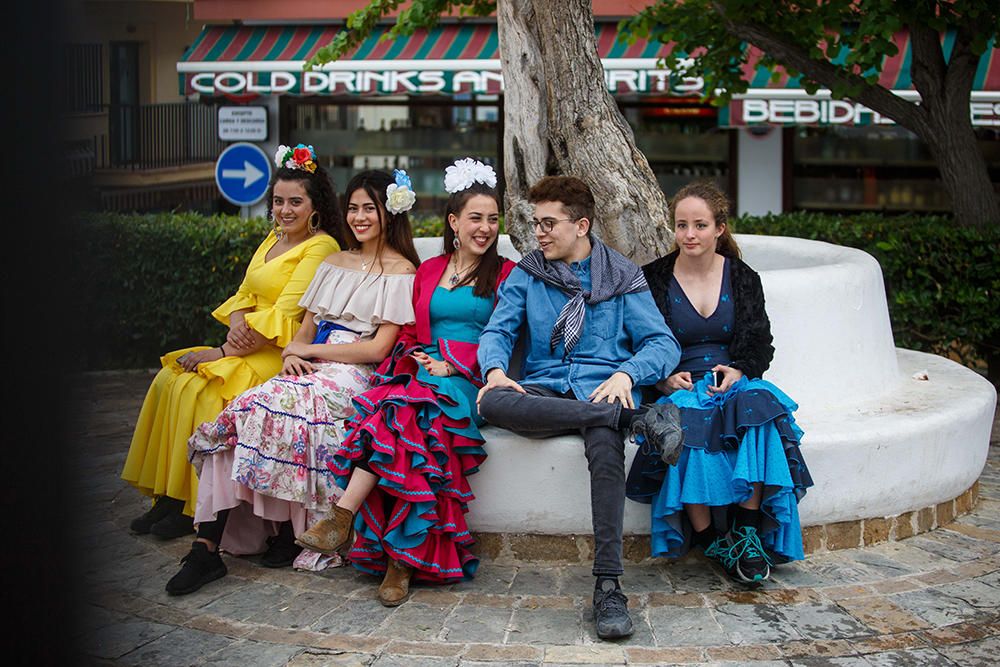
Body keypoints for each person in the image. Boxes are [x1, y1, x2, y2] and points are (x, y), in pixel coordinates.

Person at [165, 169, 421, 596]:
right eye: (353, 208)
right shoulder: (333, 262)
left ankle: (286, 533)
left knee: (286, 412)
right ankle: (206, 547)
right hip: (308, 368)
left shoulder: (401, 270)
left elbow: (377, 350)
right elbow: (303, 331)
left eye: (369, 209)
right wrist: (290, 356)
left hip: (353, 374)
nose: (359, 217)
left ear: (388, 214)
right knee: (250, 409)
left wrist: (312, 354)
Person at [296, 158, 516, 607]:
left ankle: (350, 523)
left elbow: (510, 339)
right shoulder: (430, 270)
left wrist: (454, 365)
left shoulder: (507, 275)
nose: (486, 227)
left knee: (411, 416)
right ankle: (394, 557)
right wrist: (416, 355)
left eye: (493, 219)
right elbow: (413, 328)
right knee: (396, 422)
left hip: (467, 379)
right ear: (454, 222)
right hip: (420, 371)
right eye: (476, 217)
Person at [474, 175, 682, 641]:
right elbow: (498, 332)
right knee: (495, 402)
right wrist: (494, 369)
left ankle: (609, 587)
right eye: (535, 223)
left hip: (601, 387)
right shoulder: (529, 274)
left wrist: (627, 374)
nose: (539, 233)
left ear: (581, 225)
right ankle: (634, 421)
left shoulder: (623, 276)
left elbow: (662, 343)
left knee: (605, 447)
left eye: (549, 223)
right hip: (546, 388)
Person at [121, 144, 342, 539]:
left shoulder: (321, 246)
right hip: (246, 342)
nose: (285, 210)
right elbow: (243, 293)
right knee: (171, 382)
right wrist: (237, 321)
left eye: (295, 202)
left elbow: (287, 311)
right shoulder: (272, 240)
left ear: (315, 206)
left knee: (205, 390)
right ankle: (169, 497)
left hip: (279, 352)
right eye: (278, 201)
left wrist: (223, 349)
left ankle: (191, 508)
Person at [625, 180, 814, 588]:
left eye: (699, 225)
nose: (689, 235)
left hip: (731, 381)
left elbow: (760, 341)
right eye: (681, 226)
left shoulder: (743, 277)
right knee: (686, 426)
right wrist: (660, 379)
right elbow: (635, 338)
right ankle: (712, 539)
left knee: (760, 408)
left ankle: (746, 532)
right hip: (679, 384)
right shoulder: (652, 278)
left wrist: (740, 369)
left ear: (719, 229)